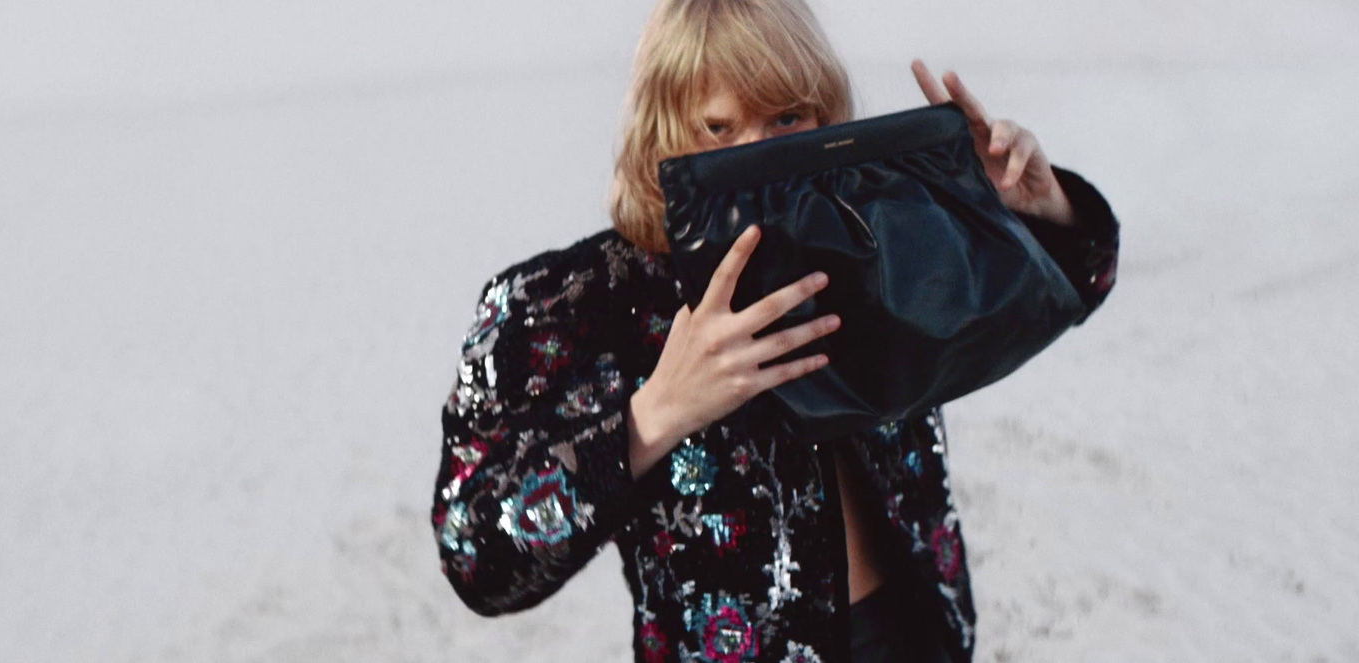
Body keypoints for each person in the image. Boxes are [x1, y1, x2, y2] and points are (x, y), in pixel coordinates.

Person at [430, 0, 1120, 661]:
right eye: (720, 128)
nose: (755, 156)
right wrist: (654, 414)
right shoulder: (578, 303)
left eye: (786, 118)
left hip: (918, 634)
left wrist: (1035, 204)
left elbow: (1066, 291)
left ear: (824, 114)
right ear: (662, 128)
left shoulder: (873, 234)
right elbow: (474, 556)